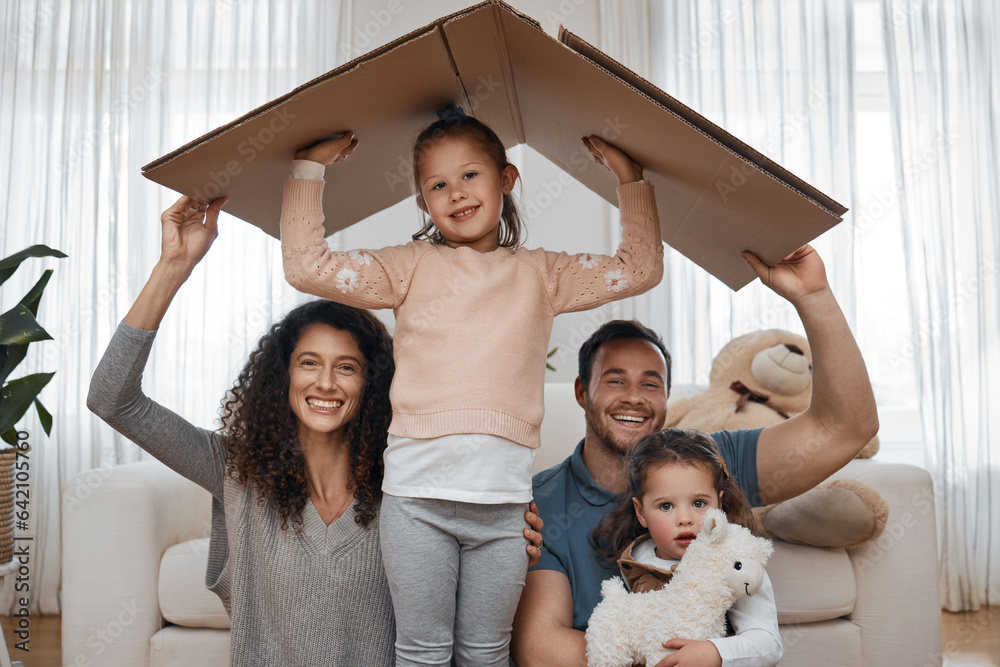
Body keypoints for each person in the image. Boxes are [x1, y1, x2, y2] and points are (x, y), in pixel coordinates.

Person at [87, 195, 544, 667]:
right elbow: (111, 398)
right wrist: (173, 265)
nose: (325, 383)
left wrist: (507, 543)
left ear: (371, 383)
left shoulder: (410, 483)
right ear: (283, 375)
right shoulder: (236, 470)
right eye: (309, 363)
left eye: (346, 367)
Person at [278, 107, 664, 666]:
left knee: (486, 654)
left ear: (506, 180)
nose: (455, 193)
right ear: (423, 204)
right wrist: (309, 169)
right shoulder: (408, 267)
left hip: (503, 511)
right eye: (437, 185)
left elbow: (639, 267)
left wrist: (631, 180)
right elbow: (306, 266)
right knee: (424, 652)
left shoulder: (542, 274)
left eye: (469, 175)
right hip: (416, 504)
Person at [511, 244, 879, 666]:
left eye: (651, 384)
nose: (634, 398)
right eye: (615, 381)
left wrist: (814, 296)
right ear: (582, 392)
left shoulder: (711, 461)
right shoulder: (542, 502)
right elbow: (540, 648)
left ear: (667, 396)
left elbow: (847, 429)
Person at [591, 428, 782, 666]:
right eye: (666, 506)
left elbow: (768, 642)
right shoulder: (635, 559)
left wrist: (715, 652)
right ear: (641, 513)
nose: (685, 518)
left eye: (699, 503)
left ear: (719, 504)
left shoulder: (736, 562)